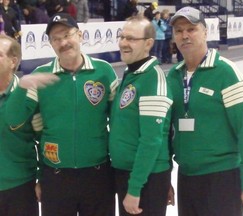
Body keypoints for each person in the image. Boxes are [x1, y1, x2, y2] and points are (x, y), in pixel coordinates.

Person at [6, 13, 118, 216]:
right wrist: (21, 88)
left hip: (98, 174)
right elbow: (13, 121)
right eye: (56, 39)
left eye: (67, 35)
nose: (63, 42)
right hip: (55, 177)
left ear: (80, 35)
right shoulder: (41, 76)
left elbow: (119, 123)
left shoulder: (104, 72)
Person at [167, 6, 243, 216]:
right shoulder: (172, 77)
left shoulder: (227, 73)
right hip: (187, 177)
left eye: (191, 29)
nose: (185, 35)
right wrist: (166, 178)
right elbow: (165, 133)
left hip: (222, 177)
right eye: (179, 31)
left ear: (205, 32)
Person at [109, 14, 173, 216]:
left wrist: (135, 188)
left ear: (148, 44)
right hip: (128, 173)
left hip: (146, 179)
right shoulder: (132, 75)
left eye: (131, 39)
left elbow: (151, 141)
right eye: (122, 37)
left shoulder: (153, 79)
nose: (124, 43)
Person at [0, 34, 40, 216]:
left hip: (20, 187)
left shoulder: (28, 97)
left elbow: (44, 139)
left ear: (13, 61)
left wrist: (42, 178)